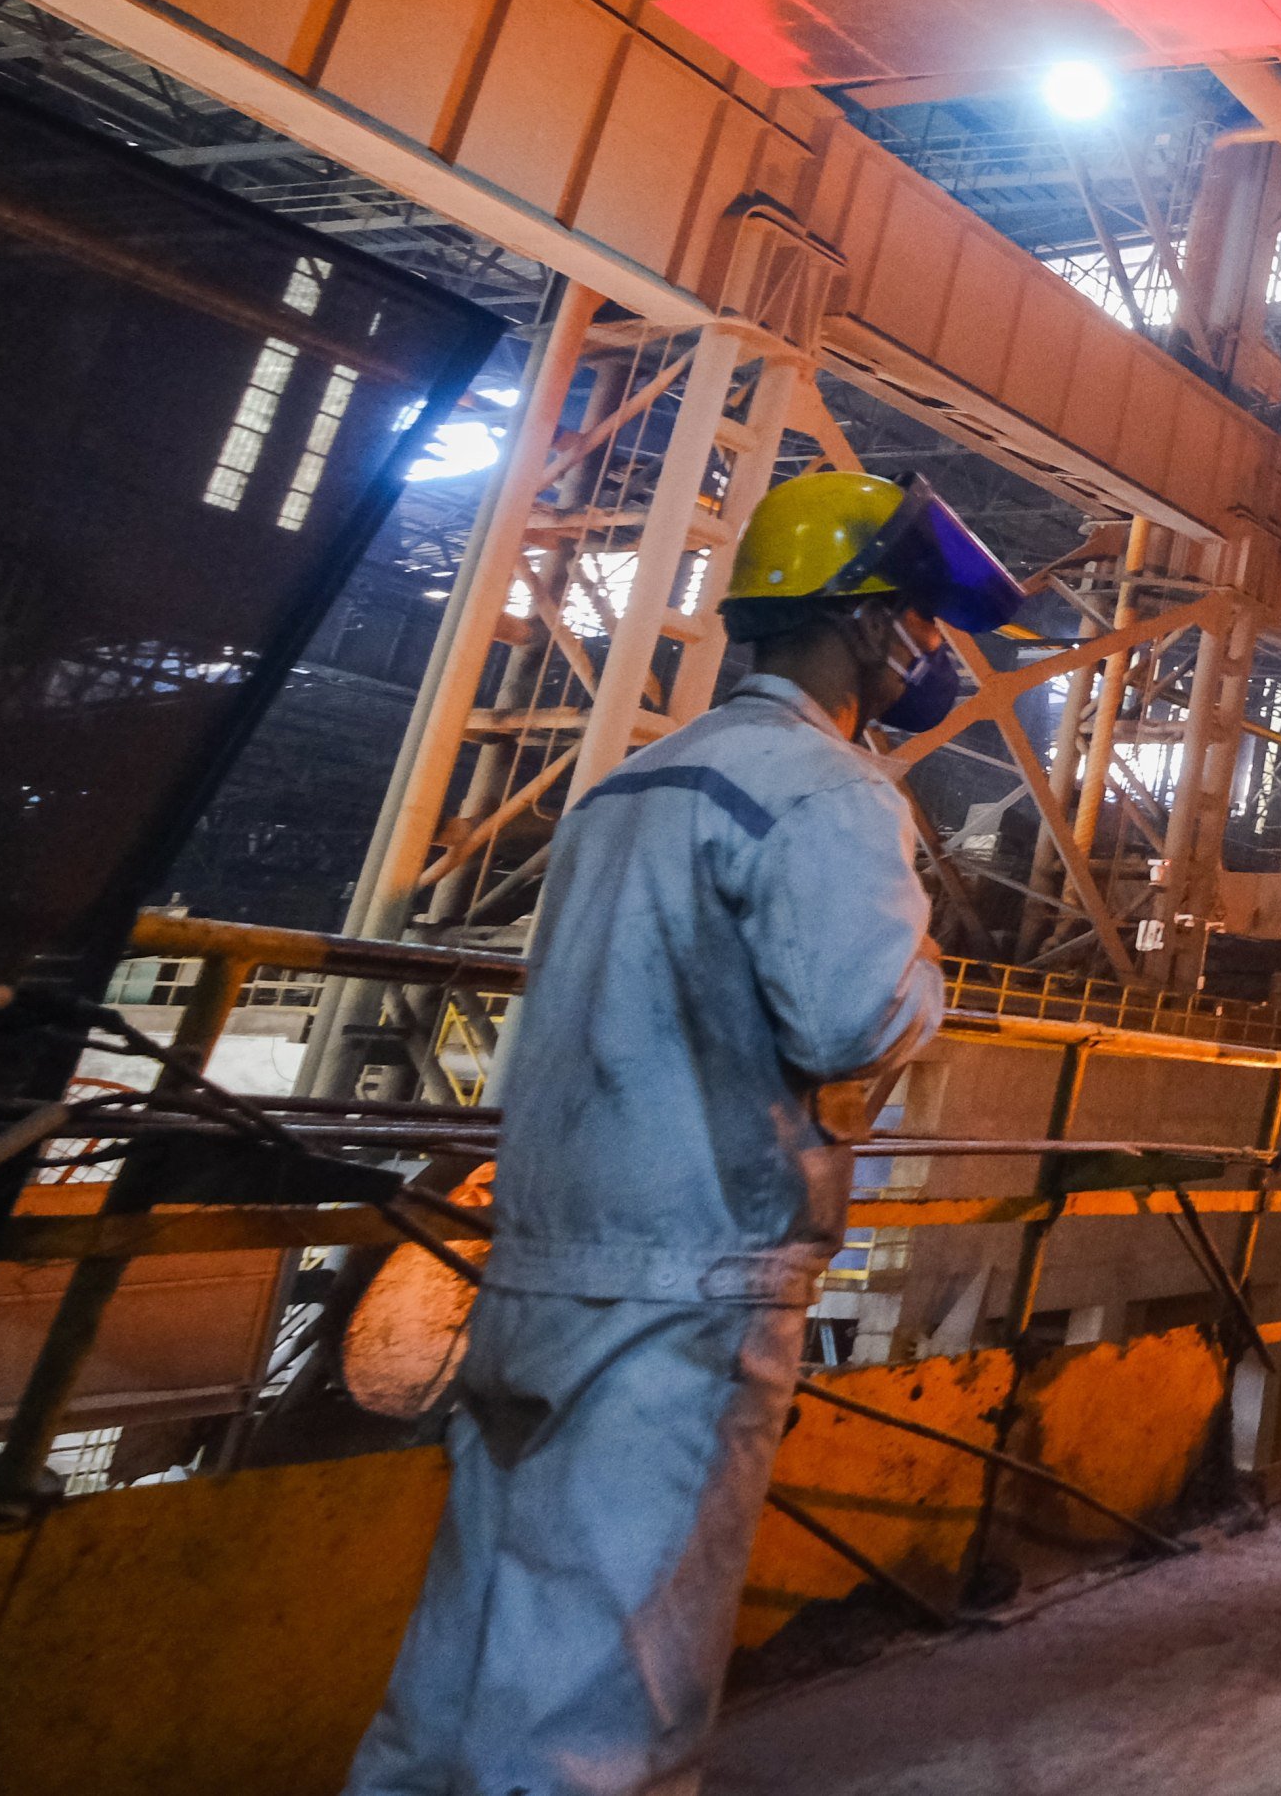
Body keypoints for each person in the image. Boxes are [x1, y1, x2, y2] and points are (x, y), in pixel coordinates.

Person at [347, 470, 1024, 1796]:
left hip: (536, 1275)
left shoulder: (630, 786)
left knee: (452, 1688)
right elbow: (850, 1021)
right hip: (685, 1294)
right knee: (604, 1717)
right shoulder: (831, 791)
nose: (932, 650)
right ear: (863, 621)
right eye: (920, 620)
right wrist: (926, 971)